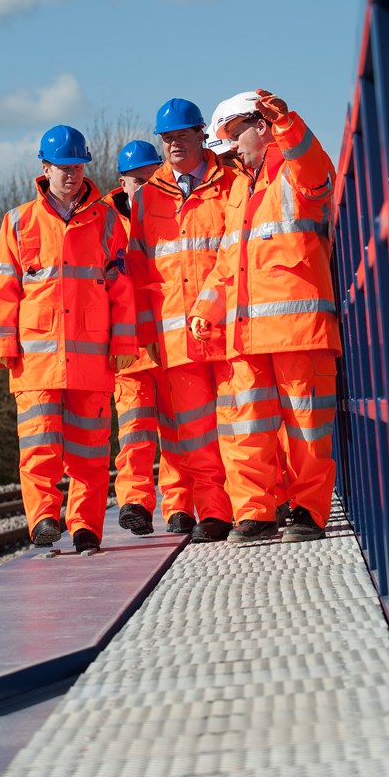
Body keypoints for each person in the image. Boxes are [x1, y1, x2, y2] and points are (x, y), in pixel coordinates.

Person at [190, 90, 342, 544]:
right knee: (244, 427)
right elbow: (227, 263)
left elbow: (320, 177)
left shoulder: (293, 172)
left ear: (262, 126)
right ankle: (255, 514)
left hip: (298, 332)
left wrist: (289, 125)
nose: (232, 147)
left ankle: (308, 512)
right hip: (245, 335)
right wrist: (205, 308)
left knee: (306, 426)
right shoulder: (241, 188)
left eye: (236, 134)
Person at [0, 125, 137, 552]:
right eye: (63, 166)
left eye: (78, 165)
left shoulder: (107, 221)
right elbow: (1, 288)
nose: (71, 174)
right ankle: (45, 520)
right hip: (35, 361)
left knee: (89, 452)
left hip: (91, 359)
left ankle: (86, 526)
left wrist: (125, 346)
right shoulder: (18, 221)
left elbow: (121, 290)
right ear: (44, 168)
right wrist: (2, 345)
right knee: (39, 446)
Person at [127, 98, 235, 542]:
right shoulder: (149, 196)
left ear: (200, 133)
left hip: (227, 329)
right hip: (177, 340)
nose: (173, 144)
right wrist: (142, 334)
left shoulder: (227, 183)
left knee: (240, 423)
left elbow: (234, 253)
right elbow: (137, 269)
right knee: (196, 434)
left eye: (181, 136)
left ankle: (258, 504)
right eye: (167, 139)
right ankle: (214, 513)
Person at [104, 141, 196, 536]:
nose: (142, 188)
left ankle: (179, 507)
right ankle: (135, 504)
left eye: (149, 179)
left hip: (167, 341)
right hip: (128, 350)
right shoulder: (104, 223)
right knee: (135, 433)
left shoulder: (168, 213)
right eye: (135, 181)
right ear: (121, 181)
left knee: (177, 432)